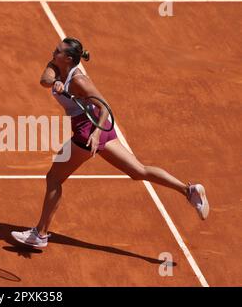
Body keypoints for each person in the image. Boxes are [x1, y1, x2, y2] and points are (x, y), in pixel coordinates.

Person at [11, 37, 210, 248]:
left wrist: (96, 134)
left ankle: (40, 234)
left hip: (88, 132)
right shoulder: (55, 65)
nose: (53, 52)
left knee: (54, 178)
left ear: (68, 58)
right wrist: (55, 82)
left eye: (58, 51)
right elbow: (45, 80)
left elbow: (105, 106)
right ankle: (188, 190)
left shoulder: (79, 81)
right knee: (138, 171)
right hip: (97, 128)